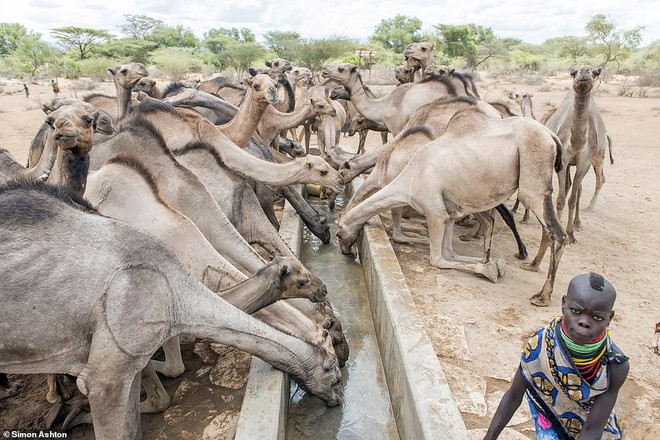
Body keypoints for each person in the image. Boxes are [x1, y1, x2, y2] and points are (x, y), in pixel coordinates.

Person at [484, 273, 629, 440]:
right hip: (549, 420)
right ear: (563, 304)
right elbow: (512, 397)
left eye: (597, 317)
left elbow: (592, 428)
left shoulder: (614, 366)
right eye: (576, 311)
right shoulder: (541, 344)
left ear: (609, 318)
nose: (584, 322)